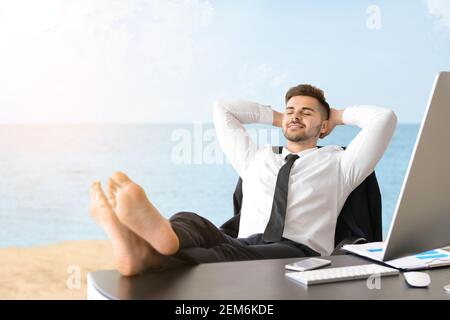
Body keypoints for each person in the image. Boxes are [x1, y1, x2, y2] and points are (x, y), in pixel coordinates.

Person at [90, 84, 397, 276]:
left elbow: (384, 119)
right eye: (291, 110)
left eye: (306, 112)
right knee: (192, 220)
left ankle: (143, 253)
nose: (295, 115)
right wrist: (277, 116)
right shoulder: (257, 158)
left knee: (223, 255)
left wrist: (337, 115)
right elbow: (222, 109)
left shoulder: (340, 163)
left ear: (325, 125)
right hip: (244, 241)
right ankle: (149, 248)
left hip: (300, 251)